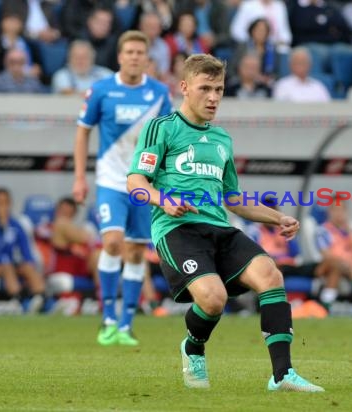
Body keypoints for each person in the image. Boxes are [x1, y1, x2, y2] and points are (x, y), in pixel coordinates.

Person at [127, 53, 324, 392]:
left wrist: (278, 217)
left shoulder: (222, 140)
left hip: (220, 228)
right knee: (213, 298)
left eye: (219, 89)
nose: (214, 97)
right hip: (178, 230)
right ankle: (193, 346)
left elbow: (233, 199)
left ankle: (282, 375)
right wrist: (164, 199)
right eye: (205, 89)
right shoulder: (162, 128)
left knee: (270, 275)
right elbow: (135, 183)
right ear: (184, 88)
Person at [72, 30, 173, 346]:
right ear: (120, 56)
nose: (134, 57)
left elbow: (168, 139)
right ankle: (107, 319)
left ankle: (127, 324)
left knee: (135, 251)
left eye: (139, 52)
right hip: (110, 182)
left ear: (146, 58)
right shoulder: (101, 90)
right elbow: (82, 132)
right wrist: (79, 177)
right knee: (113, 242)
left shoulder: (159, 93)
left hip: (144, 185)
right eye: (128, 52)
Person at [0, 187, 46, 312]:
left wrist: (28, 262)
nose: (2, 207)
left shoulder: (15, 225)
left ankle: (41, 298)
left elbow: (26, 250)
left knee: (27, 267)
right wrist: (1, 229)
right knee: (6, 266)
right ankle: (18, 300)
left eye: (5, 203)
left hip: (10, 262)